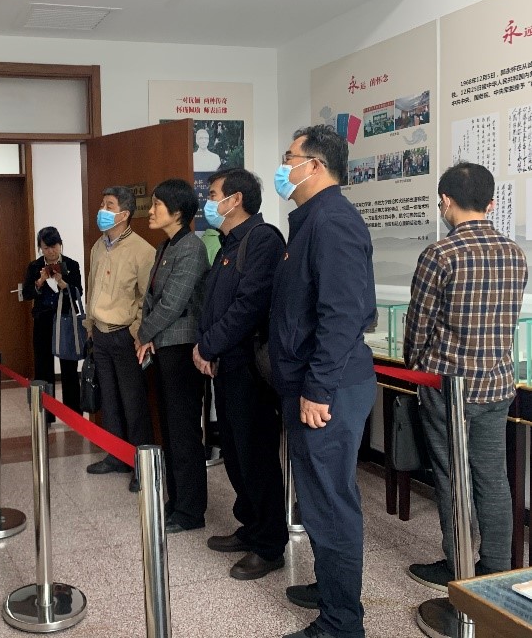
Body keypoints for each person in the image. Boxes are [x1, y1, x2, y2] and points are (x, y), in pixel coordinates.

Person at [270, 125, 377, 638]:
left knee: (330, 504)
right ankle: (332, 588)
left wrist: (316, 389)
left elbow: (342, 315)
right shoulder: (312, 219)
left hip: (328, 386)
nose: (283, 166)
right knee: (316, 499)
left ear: (314, 165)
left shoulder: (333, 220)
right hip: (312, 381)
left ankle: (341, 623)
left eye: (289, 157)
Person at [403, 162, 528, 591]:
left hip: (450, 387)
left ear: (445, 200)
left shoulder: (440, 254)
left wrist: (415, 366)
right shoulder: (515, 253)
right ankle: (496, 567)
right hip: (498, 384)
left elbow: (418, 327)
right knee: (492, 477)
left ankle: (458, 564)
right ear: (490, 203)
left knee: (451, 476)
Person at [196, 167, 288, 580]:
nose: (209, 201)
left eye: (214, 194)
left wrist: (208, 346)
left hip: (250, 369)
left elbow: (248, 307)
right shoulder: (227, 244)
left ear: (235, 200)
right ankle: (250, 526)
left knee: (257, 456)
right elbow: (214, 304)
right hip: (225, 366)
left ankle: (269, 546)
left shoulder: (263, 240)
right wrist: (208, 346)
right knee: (235, 453)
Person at [135, 179, 208, 532]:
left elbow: (173, 304)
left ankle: (191, 511)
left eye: (157, 205)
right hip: (163, 347)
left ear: (177, 212)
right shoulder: (166, 245)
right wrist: (148, 335)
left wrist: (143, 334)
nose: (150, 211)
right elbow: (151, 299)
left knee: (183, 432)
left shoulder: (191, 248)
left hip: (181, 349)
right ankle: (176, 500)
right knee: (169, 428)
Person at [83, 185, 155, 492]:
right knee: (109, 400)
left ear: (124, 214)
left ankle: (142, 465)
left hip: (125, 336)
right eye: (102, 203)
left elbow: (146, 299)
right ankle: (115, 456)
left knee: (133, 402)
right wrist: (89, 325)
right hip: (99, 333)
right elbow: (92, 287)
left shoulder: (143, 251)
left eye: (108, 205)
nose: (102, 210)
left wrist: (137, 332)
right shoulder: (98, 246)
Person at [22, 226, 83, 419]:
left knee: (69, 368)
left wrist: (63, 283)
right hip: (43, 321)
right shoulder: (34, 266)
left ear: (60, 244)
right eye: (46, 247)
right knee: (43, 368)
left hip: (66, 320)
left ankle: (73, 415)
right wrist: (40, 281)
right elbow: (26, 293)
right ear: (40, 248)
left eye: (54, 246)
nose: (51, 251)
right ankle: (45, 415)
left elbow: (79, 291)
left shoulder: (71, 265)